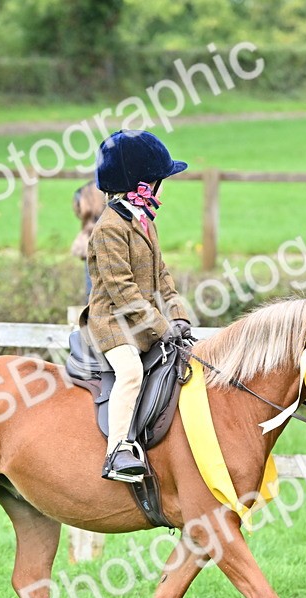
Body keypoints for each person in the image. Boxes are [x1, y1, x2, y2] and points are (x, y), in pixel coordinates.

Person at [80, 130, 192, 482]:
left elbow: (162, 275)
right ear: (143, 185)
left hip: (144, 319)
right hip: (113, 323)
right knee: (130, 371)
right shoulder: (109, 228)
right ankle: (117, 451)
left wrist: (179, 317)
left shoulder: (144, 223)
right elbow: (123, 291)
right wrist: (162, 327)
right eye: (160, 180)